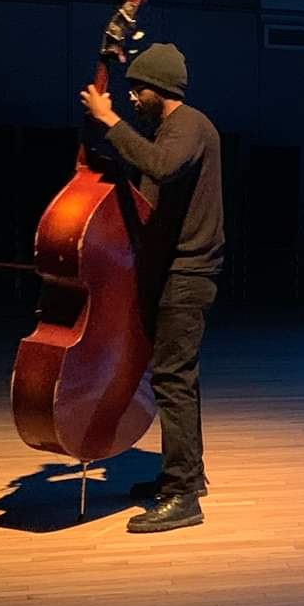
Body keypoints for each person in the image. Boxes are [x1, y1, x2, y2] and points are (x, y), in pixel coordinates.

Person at [79, 42, 223, 535]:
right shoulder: (167, 130)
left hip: (188, 275)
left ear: (158, 87)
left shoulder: (189, 126)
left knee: (173, 380)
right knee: (176, 379)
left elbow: (161, 167)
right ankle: (187, 476)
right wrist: (102, 129)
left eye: (137, 89)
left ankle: (183, 496)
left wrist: (109, 119)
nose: (132, 97)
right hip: (171, 271)